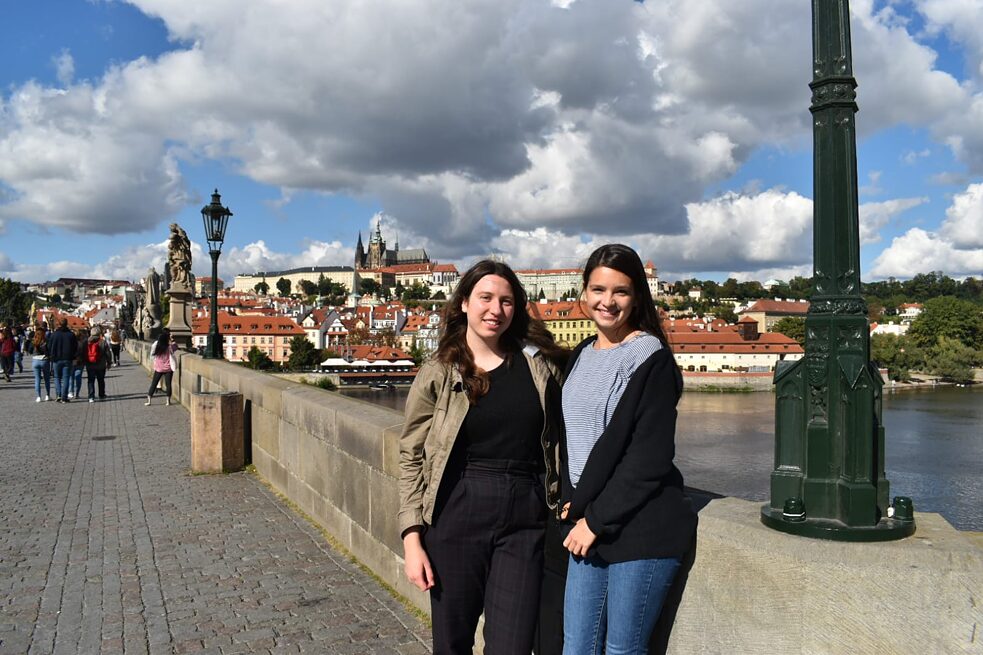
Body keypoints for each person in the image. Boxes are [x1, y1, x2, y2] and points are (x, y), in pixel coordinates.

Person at [398, 260, 564, 653]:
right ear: (464, 304)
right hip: (458, 508)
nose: (496, 310)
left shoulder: (540, 367)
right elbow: (411, 455)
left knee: (513, 646)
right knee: (452, 644)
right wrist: (411, 538)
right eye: (486, 298)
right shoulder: (441, 370)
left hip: (525, 514)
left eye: (507, 301)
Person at [559, 244, 697, 654]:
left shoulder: (650, 358)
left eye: (620, 291)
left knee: (623, 650)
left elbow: (648, 459)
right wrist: (572, 499)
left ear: (637, 295)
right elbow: (574, 440)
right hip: (589, 525)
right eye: (598, 289)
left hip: (640, 529)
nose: (608, 301)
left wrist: (594, 520)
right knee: (577, 647)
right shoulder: (582, 353)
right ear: (583, 293)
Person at [47, 318, 78, 403]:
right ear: (66, 324)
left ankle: (59, 395)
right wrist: (74, 357)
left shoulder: (54, 335)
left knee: (57, 377)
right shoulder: (71, 335)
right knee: (66, 378)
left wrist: (51, 355)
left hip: (56, 359)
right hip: (68, 359)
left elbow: (49, 346)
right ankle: (64, 396)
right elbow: (75, 347)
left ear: (59, 324)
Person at [146, 328, 177, 406]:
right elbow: (176, 346)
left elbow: (152, 354)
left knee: (154, 383)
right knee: (168, 384)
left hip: (159, 368)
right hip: (168, 368)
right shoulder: (169, 347)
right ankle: (168, 401)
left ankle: (149, 400)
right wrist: (172, 339)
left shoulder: (157, 346)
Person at [85, 326, 112, 402]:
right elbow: (108, 353)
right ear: (99, 333)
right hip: (101, 365)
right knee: (101, 380)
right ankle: (101, 394)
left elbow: (83, 353)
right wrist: (109, 362)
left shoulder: (87, 341)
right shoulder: (102, 342)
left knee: (91, 381)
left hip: (90, 364)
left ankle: (91, 397)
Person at [26, 324, 51, 402]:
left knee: (37, 379)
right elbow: (49, 351)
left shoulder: (33, 341)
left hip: (35, 361)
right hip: (44, 360)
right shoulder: (46, 341)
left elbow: (29, 350)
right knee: (46, 379)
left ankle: (38, 396)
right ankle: (47, 395)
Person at [72, 329, 87, 399]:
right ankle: (77, 393)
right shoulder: (83, 343)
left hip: (72, 361)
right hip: (80, 362)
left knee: (71, 377)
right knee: (78, 378)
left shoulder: (71, 343)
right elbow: (85, 353)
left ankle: (71, 391)